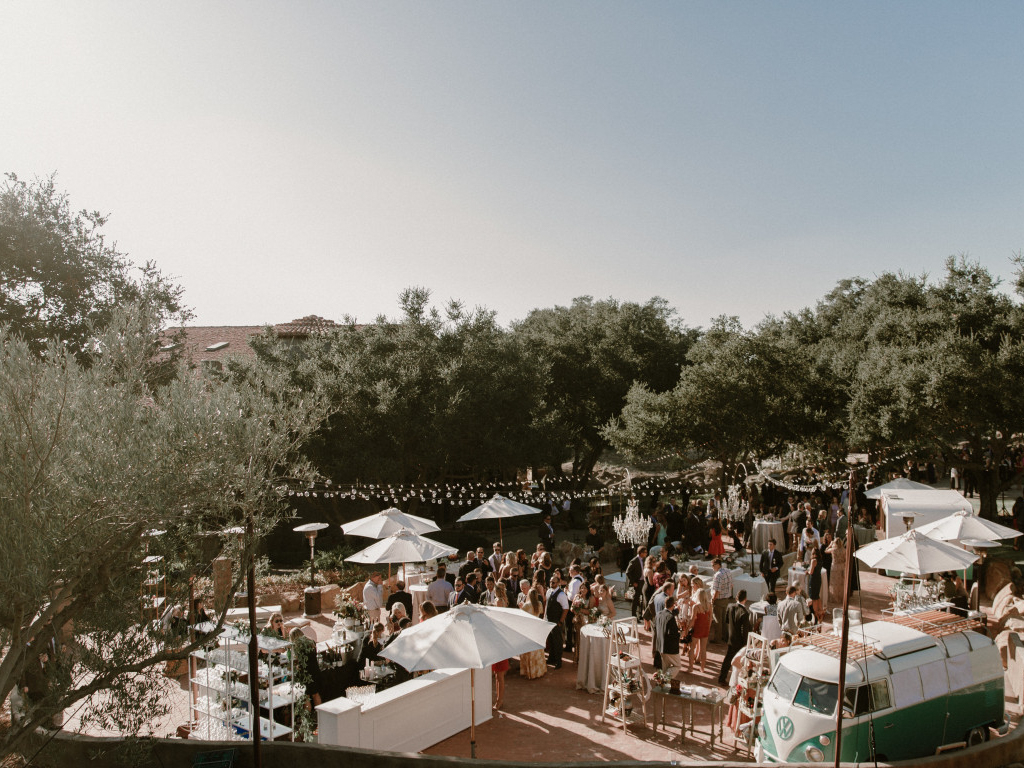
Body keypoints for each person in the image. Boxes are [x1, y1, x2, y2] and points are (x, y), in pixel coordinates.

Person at [717, 590, 751, 684]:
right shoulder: (744, 613)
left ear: (736, 598)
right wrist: (746, 643)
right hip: (740, 640)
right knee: (740, 661)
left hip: (731, 637)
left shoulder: (730, 606)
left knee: (728, 658)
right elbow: (744, 630)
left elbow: (727, 620)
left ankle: (722, 677)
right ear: (745, 599)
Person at [288, 627, 323, 706]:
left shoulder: (298, 647)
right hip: (315, 670)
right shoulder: (311, 642)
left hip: (306, 674)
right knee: (315, 694)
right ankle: (319, 712)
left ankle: (307, 713)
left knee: (306, 696)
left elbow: (300, 661)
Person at [519, 588, 547, 679]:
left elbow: (521, 615)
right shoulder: (539, 604)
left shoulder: (526, 605)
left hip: (528, 629)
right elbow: (541, 612)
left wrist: (521, 607)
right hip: (537, 628)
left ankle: (529, 671)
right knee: (537, 651)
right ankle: (538, 670)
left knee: (528, 651)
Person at [654, 595, 683, 676]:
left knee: (664, 668)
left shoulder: (658, 614)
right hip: (670, 648)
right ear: (673, 605)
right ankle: (665, 679)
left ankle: (662, 680)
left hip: (660, 646)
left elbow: (656, 628)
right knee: (677, 665)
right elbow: (673, 634)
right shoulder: (670, 617)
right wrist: (681, 633)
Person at [544, 576, 569, 668]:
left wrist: (560, 621)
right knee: (551, 640)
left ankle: (558, 661)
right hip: (548, 620)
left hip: (556, 621)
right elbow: (547, 605)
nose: (551, 583)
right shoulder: (548, 591)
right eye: (550, 582)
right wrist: (544, 618)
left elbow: (566, 609)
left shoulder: (561, 595)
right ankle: (551, 658)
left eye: (553, 582)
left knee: (557, 642)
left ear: (558, 583)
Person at [689, 578, 712, 673]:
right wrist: (708, 628)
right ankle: (702, 668)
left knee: (692, 648)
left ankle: (690, 667)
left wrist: (688, 628)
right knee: (703, 649)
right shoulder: (709, 605)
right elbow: (710, 618)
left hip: (697, 628)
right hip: (705, 628)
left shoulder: (696, 606)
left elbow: (692, 619)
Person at [709, 558, 734, 643]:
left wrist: (713, 599)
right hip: (726, 599)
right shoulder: (728, 571)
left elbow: (717, 590)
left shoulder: (718, 575)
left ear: (717, 565)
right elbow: (731, 585)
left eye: (713, 565)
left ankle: (718, 639)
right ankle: (725, 637)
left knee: (717, 620)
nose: (712, 567)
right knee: (724, 619)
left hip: (719, 600)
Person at [625, 545, 648, 620]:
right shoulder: (634, 561)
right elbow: (628, 572)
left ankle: (641, 614)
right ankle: (634, 616)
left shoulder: (644, 560)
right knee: (636, 599)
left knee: (643, 599)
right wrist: (633, 582)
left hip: (643, 581)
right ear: (641, 553)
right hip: (637, 582)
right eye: (645, 552)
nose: (646, 553)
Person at [807, 554, 824, 625]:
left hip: (813, 580)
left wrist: (807, 572)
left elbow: (811, 572)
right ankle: (821, 613)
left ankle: (815, 615)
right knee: (817, 596)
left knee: (813, 598)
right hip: (818, 579)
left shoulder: (814, 560)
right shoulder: (820, 560)